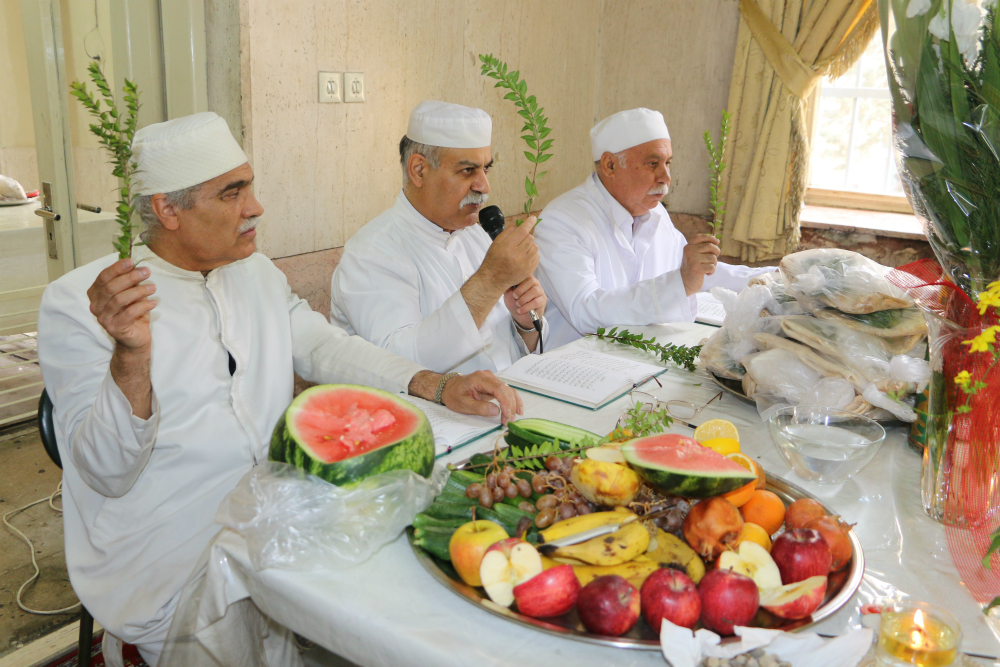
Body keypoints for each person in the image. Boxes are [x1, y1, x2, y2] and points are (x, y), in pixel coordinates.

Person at [36, 112, 521, 666]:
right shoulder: (81, 304)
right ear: (169, 209)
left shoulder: (256, 274)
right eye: (233, 193)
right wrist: (131, 354)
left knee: (422, 585)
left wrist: (437, 384)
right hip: (168, 549)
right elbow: (105, 469)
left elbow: (325, 347)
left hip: (278, 512)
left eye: (251, 187)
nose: (256, 207)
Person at [329, 101, 549, 374]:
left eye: (486, 169)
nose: (484, 186)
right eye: (468, 171)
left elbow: (512, 349)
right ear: (419, 170)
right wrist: (491, 279)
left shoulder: (478, 235)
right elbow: (401, 367)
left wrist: (525, 324)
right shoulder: (372, 253)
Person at [534, 108, 772, 348]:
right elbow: (584, 310)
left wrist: (773, 277)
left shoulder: (654, 212)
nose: (665, 177)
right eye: (652, 164)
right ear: (609, 165)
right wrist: (679, 284)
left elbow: (696, 273)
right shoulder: (562, 220)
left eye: (668, 163)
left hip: (640, 361)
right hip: (576, 370)